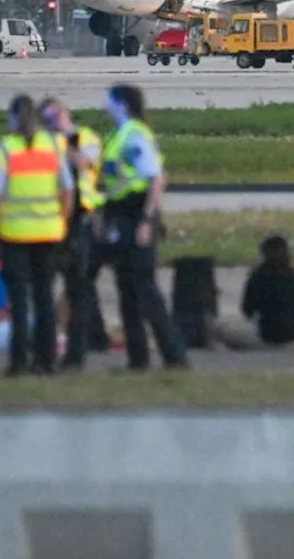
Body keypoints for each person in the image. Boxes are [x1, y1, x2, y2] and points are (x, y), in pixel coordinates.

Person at [99, 83, 188, 370]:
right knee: (127, 289)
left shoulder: (134, 135)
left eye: (110, 101)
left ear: (122, 104)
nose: (105, 105)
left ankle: (174, 355)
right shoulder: (118, 134)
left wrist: (148, 221)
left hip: (136, 215)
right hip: (120, 215)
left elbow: (156, 179)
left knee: (145, 289)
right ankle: (138, 359)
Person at [0, 94, 73, 377]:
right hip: (48, 233)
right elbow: (68, 191)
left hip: (14, 235)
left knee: (19, 302)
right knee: (45, 297)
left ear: (12, 118)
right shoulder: (54, 146)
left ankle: (19, 362)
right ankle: (47, 361)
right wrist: (60, 220)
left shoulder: (6, 150)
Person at [39, 96, 111, 370]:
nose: (55, 122)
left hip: (86, 215)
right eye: (49, 119)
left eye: (58, 115)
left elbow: (85, 162)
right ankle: (93, 336)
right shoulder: (45, 143)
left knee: (82, 282)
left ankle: (91, 339)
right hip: (56, 219)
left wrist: (61, 142)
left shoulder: (85, 137)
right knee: (80, 284)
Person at [209, 235, 294, 351]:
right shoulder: (292, 274)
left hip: (276, 342)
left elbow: (248, 310)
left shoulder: (259, 274)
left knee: (216, 328)